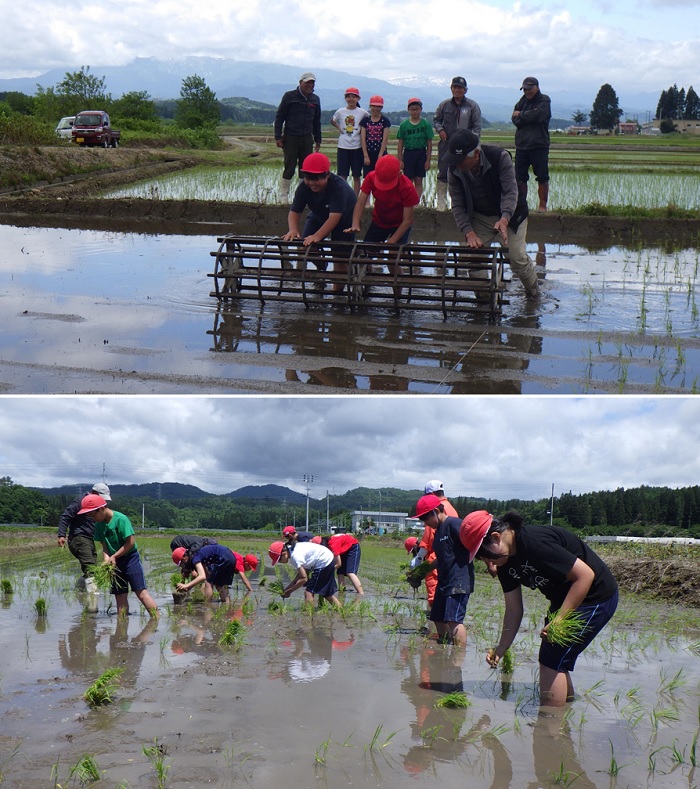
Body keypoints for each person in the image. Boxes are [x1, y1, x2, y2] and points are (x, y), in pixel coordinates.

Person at [463, 510, 618, 707]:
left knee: (550, 661)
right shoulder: (505, 564)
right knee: (554, 659)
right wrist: (501, 648)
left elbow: (585, 576)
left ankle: (549, 726)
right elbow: (513, 609)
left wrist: (560, 619)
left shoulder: (535, 543)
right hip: (564, 600)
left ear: (496, 537)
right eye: (481, 559)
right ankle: (563, 718)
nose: (488, 563)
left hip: (594, 596)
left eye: (485, 556)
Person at [447, 128, 539, 299]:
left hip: (510, 215)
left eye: (461, 159)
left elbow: (510, 192)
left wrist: (504, 219)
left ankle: (533, 292)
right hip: (480, 216)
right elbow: (457, 204)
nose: (457, 164)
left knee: (516, 257)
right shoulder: (454, 169)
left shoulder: (499, 157)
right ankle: (484, 299)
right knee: (471, 257)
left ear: (475, 154)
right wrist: (468, 231)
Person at [282, 152, 357, 289]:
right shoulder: (304, 187)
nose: (312, 183)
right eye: (308, 179)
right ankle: (321, 265)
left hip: (344, 220)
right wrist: (293, 229)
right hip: (319, 215)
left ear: (327, 175)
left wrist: (317, 236)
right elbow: (294, 211)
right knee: (305, 246)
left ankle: (336, 294)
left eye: (316, 179)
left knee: (339, 258)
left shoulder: (338, 188)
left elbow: (335, 217)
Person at [77, 494, 158, 619]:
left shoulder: (121, 519)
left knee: (141, 593)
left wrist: (114, 556)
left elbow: (130, 543)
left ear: (102, 508)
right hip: (114, 562)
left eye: (93, 515)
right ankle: (122, 628)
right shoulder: (98, 525)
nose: (92, 519)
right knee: (120, 596)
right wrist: (107, 560)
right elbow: (104, 546)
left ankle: (156, 620)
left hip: (130, 559)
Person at [414, 493, 473, 646]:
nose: (425, 523)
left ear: (436, 511)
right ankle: (444, 648)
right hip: (444, 580)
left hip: (458, 580)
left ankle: (458, 656)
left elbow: (474, 543)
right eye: (422, 520)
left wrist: (490, 563)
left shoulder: (454, 524)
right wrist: (421, 571)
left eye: (425, 518)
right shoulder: (438, 532)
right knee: (437, 616)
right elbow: (439, 558)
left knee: (454, 620)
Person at [433, 76, 482, 210]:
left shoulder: (472, 106)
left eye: (460, 87)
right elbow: (436, 120)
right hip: (446, 145)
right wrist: (441, 130)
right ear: (451, 89)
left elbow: (477, 128)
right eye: (454, 87)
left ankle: (460, 205)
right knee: (443, 172)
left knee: (464, 173)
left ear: (465, 90)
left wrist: (472, 144)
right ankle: (441, 204)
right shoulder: (444, 105)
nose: (457, 90)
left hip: (465, 148)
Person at [409, 481, 460, 612]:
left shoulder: (433, 509)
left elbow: (429, 536)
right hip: (451, 561)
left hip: (436, 557)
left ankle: (435, 627)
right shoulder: (450, 508)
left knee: (435, 596)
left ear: (431, 494)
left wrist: (420, 556)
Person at [274, 72, 322, 203]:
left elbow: (316, 121)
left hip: (307, 137)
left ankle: (302, 196)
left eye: (312, 83)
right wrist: (278, 136)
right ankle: (283, 195)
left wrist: (318, 139)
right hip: (290, 137)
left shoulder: (315, 99)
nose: (310, 85)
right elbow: (280, 117)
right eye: (307, 82)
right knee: (289, 166)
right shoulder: (289, 96)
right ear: (300, 83)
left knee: (305, 167)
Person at [57, 482, 112, 594]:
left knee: (91, 565)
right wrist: (61, 534)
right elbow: (66, 516)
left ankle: (80, 589)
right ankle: (92, 598)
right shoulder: (81, 501)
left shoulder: (98, 506)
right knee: (90, 566)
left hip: (88, 538)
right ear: (95, 493)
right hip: (79, 537)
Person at [512, 76, 551, 212]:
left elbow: (539, 115)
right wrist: (526, 116)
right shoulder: (522, 102)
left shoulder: (544, 100)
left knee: (542, 176)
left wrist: (522, 115)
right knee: (520, 178)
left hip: (539, 145)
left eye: (529, 89)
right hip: (522, 145)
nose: (527, 92)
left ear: (536, 87)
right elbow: (514, 119)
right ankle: (522, 205)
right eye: (524, 89)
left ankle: (542, 206)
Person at [268, 536, 341, 607]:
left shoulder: (295, 557)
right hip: (328, 560)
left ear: (284, 554)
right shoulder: (293, 549)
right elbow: (300, 575)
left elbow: (304, 578)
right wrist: (287, 589)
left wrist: (289, 591)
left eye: (279, 560)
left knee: (309, 592)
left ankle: (308, 616)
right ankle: (341, 611)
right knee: (326, 593)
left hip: (323, 563)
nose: (280, 562)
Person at [331, 87, 368, 194]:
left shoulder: (362, 112)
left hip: (357, 147)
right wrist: (340, 128)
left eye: (354, 97)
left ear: (358, 98)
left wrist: (363, 132)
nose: (351, 99)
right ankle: (343, 196)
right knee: (342, 175)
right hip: (343, 146)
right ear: (345, 98)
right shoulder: (340, 111)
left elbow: (370, 120)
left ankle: (355, 198)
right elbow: (332, 121)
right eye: (348, 96)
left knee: (356, 175)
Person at [173, 542, 240, 602]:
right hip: (230, 557)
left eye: (181, 564)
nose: (182, 566)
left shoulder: (195, 558)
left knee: (208, 583)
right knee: (219, 585)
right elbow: (206, 575)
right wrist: (189, 587)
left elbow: (202, 576)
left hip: (224, 558)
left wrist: (187, 585)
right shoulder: (197, 555)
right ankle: (227, 604)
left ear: (183, 558)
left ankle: (208, 605)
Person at [396, 98, 434, 199]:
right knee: (408, 180)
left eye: (417, 109)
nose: (415, 111)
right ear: (408, 110)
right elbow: (400, 142)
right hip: (408, 153)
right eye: (412, 109)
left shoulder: (425, 124)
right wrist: (400, 159)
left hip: (421, 153)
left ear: (421, 109)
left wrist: (428, 159)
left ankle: (416, 203)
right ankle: (408, 201)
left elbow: (429, 142)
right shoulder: (404, 125)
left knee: (419, 180)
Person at [359, 96, 391, 176]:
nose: (376, 108)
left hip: (381, 152)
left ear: (382, 107)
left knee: (381, 176)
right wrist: (365, 155)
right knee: (368, 178)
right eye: (374, 106)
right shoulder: (365, 121)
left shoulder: (385, 121)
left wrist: (380, 155)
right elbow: (363, 139)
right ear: (370, 106)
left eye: (378, 106)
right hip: (368, 152)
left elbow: (385, 139)